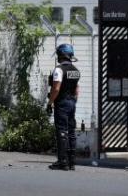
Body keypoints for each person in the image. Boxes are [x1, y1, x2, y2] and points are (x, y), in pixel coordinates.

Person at [48, 43, 80, 171]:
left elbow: (56, 88)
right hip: (72, 102)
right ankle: (72, 162)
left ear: (61, 55)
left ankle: (62, 162)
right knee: (71, 132)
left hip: (61, 103)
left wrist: (50, 103)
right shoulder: (75, 71)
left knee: (62, 131)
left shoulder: (59, 69)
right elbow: (77, 90)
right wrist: (73, 101)